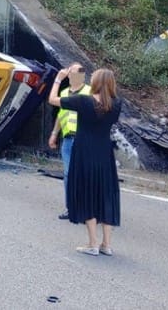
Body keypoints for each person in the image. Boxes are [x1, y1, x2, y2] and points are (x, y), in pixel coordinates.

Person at [48, 66, 122, 257]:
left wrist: (58, 79)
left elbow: (52, 100)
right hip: (105, 154)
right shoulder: (116, 104)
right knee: (105, 195)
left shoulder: (83, 101)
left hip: (84, 152)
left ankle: (93, 243)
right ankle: (106, 245)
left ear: (95, 82)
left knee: (87, 193)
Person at [48, 63, 91, 220]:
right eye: (71, 71)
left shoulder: (89, 92)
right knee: (68, 174)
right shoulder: (65, 92)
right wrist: (54, 133)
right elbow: (62, 114)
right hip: (67, 140)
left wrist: (57, 79)